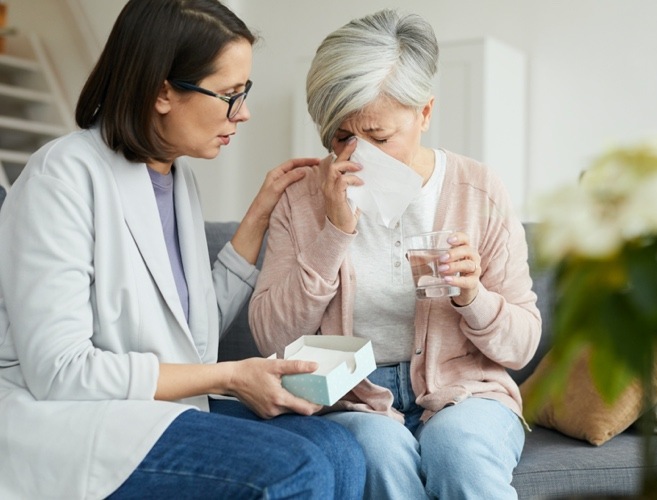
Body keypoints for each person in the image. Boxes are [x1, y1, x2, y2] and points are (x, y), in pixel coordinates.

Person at [0, 1, 366, 498]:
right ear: (162, 90)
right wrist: (233, 377)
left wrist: (258, 215)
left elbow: (185, 331)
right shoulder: (60, 177)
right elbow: (60, 372)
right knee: (295, 469)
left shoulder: (177, 177)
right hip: (69, 423)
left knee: (339, 447)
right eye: (230, 95)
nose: (244, 112)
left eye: (246, 92)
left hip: (149, 410)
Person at [249, 8, 542, 500]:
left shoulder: (479, 191)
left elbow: (520, 346)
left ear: (425, 113)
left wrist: (474, 297)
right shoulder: (301, 200)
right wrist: (333, 235)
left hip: (466, 391)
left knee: (459, 452)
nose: (358, 156)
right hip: (353, 399)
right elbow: (269, 337)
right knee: (379, 454)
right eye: (341, 137)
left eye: (379, 137)